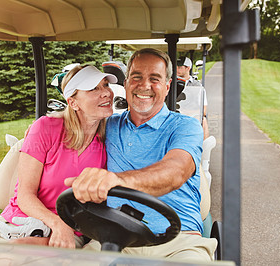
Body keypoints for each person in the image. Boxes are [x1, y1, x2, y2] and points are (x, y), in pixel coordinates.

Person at [65, 48, 217, 261]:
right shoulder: (108, 125)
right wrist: (44, 127)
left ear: (167, 86)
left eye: (154, 79)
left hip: (178, 242)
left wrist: (116, 180)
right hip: (115, 238)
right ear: (126, 83)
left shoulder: (186, 126)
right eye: (136, 77)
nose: (144, 86)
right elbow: (73, 122)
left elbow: (175, 171)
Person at [0, 65, 117, 249]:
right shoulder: (46, 128)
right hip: (21, 223)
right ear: (73, 103)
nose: (106, 93)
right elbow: (24, 195)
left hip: (68, 233)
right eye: (94, 88)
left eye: (105, 85)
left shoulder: (110, 136)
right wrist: (57, 223)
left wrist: (64, 227)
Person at [177, 56, 210, 139]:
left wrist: (188, 112)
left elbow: (204, 110)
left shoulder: (197, 86)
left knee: (203, 120)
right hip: (174, 113)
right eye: (176, 66)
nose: (177, 69)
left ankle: (203, 148)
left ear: (188, 68)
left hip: (192, 114)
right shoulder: (170, 83)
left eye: (180, 67)